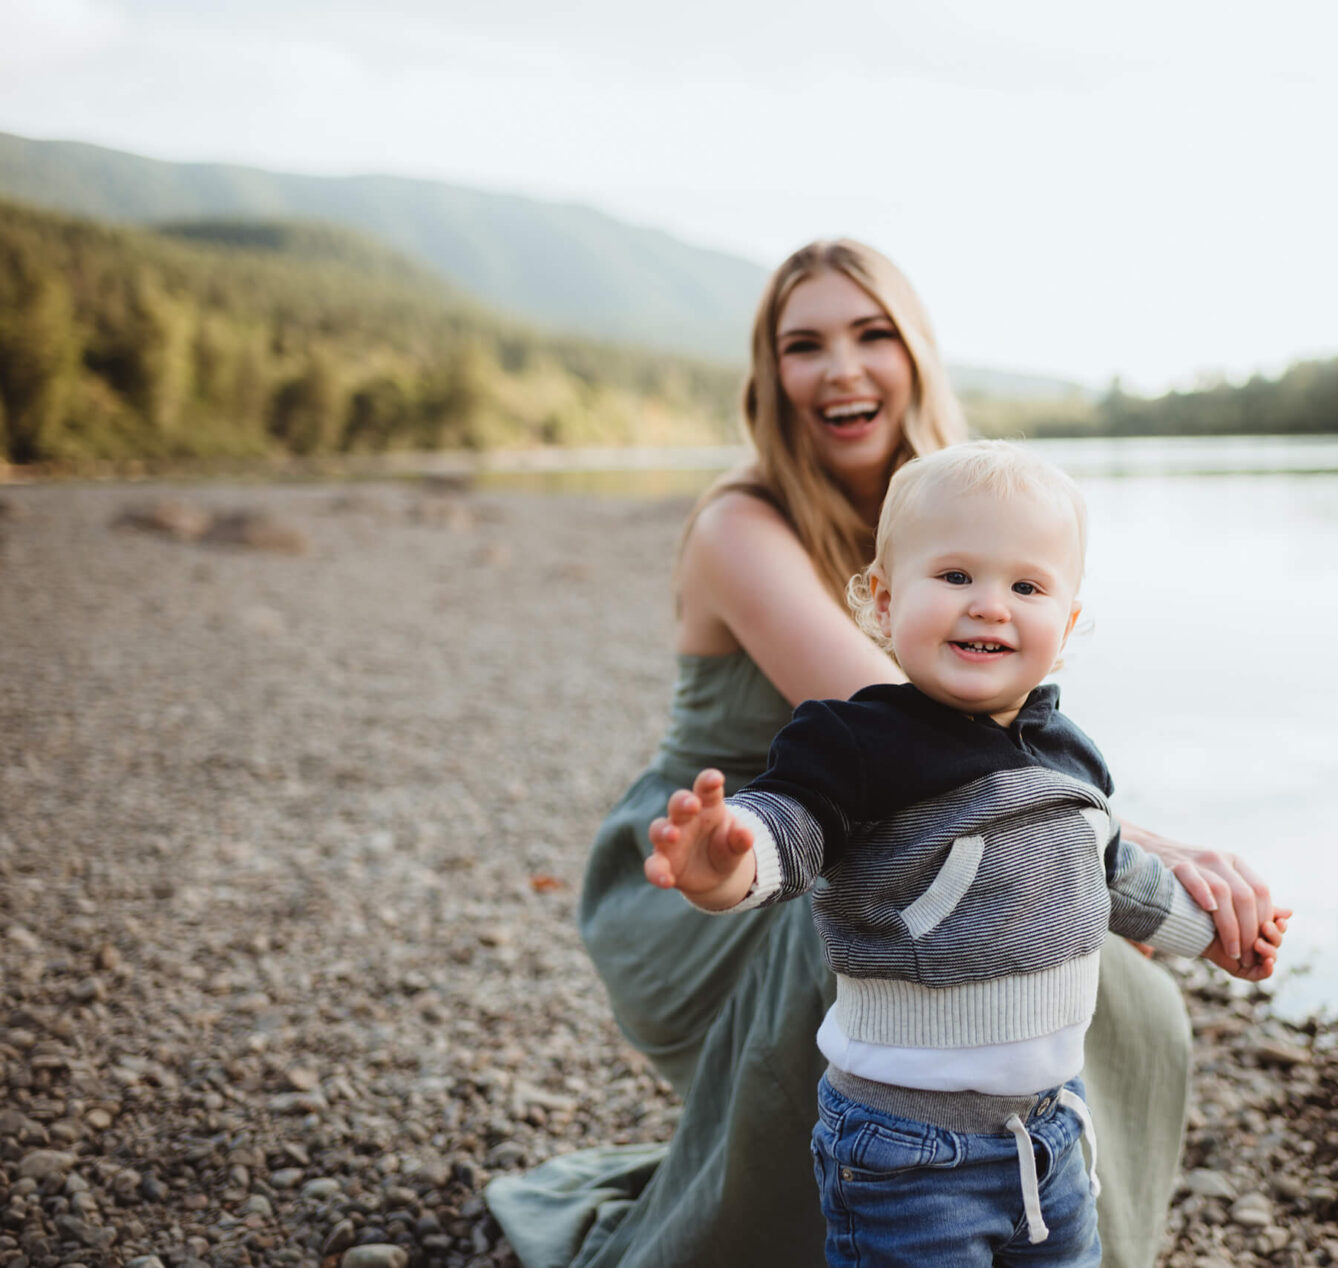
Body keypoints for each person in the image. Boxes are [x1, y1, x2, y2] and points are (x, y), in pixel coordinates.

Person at [485, 240, 1285, 1268]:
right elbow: (895, 730)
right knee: (923, 915)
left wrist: (1137, 879)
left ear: (914, 353)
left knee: (1083, 950)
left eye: (871, 334)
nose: (840, 368)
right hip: (729, 846)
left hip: (898, 821)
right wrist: (1130, 838)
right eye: (803, 344)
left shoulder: (962, 516)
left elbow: (993, 751)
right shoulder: (741, 522)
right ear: (771, 377)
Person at [644, 441, 1289, 1265]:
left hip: (1050, 1129)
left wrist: (1220, 936)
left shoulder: (1069, 755)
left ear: (1067, 627)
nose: (990, 605)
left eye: (1026, 586)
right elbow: (789, 828)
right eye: (955, 577)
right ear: (881, 602)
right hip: (906, 1151)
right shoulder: (858, 742)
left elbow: (1112, 873)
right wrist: (728, 863)